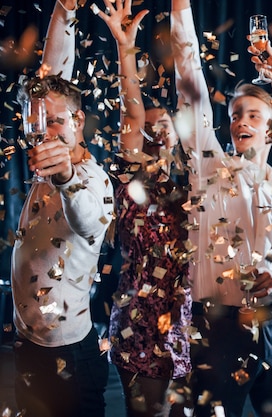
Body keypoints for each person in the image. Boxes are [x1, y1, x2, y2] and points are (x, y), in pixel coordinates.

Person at [168, 4, 272, 417]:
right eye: (234, 116)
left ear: (271, 128)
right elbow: (189, 78)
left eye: (252, 115)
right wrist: (181, 7)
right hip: (217, 328)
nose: (239, 122)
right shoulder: (207, 168)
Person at [10, 2, 114, 416]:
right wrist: (63, 10)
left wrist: (66, 175)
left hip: (71, 355)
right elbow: (49, 77)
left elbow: (87, 221)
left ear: (79, 121)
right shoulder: (43, 159)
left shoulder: (93, 178)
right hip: (27, 345)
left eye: (58, 121)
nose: (46, 129)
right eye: (39, 120)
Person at [97, 1, 193, 416]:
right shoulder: (127, 181)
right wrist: (126, 50)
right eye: (147, 128)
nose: (155, 132)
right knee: (146, 412)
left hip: (190, 317)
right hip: (139, 316)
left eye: (164, 125)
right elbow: (130, 116)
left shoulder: (197, 182)